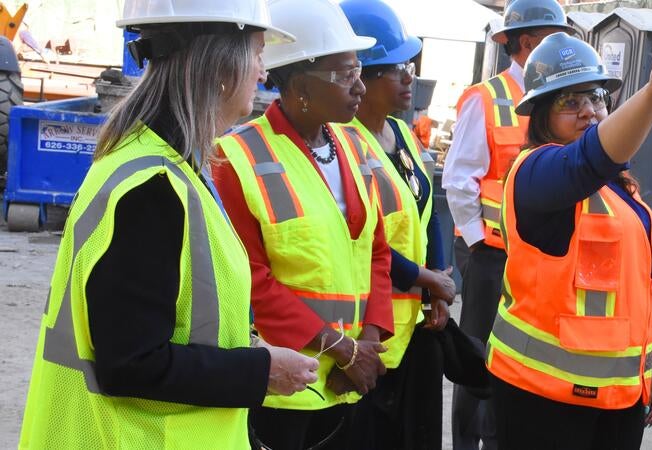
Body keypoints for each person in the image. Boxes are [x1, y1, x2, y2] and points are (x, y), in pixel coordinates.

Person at [18, 1, 319, 448]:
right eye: (257, 52)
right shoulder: (152, 187)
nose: (262, 73)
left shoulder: (158, 165)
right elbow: (131, 361)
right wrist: (261, 371)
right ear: (220, 61)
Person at [486, 32, 652, 449]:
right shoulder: (535, 173)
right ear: (540, 115)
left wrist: (648, 367)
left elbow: (630, 291)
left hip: (617, 396)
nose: (589, 111)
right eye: (569, 102)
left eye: (596, 98)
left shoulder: (615, 188)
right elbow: (589, 158)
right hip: (543, 397)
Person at [210, 0, 394, 447]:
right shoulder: (235, 158)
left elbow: (377, 249)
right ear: (298, 85)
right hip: (284, 390)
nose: (360, 88)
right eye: (345, 74)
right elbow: (250, 278)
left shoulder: (353, 145)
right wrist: (343, 350)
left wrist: (367, 348)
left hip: (350, 383)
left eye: (359, 72)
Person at [442, 0, 572, 448]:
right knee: (477, 353)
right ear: (526, 43)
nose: (563, 48)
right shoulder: (487, 99)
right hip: (490, 252)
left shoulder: (560, 97)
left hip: (537, 254)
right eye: (554, 39)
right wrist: (479, 245)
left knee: (520, 353)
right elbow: (459, 180)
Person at [338, 0, 458, 448]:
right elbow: (361, 242)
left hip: (417, 323)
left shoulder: (403, 134)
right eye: (396, 68)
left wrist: (437, 284)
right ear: (360, 79)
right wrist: (423, 278)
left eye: (409, 64)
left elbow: (427, 213)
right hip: (371, 328)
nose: (410, 77)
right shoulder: (343, 147)